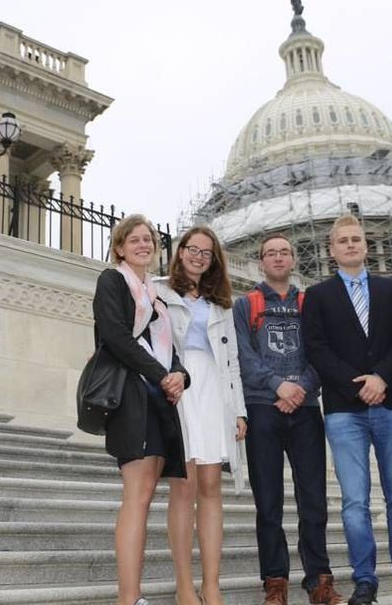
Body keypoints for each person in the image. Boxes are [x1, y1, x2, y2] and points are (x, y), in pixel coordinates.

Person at [302, 214, 392, 605]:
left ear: (365, 244)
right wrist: (356, 384)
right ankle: (366, 582)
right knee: (354, 502)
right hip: (345, 408)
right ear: (331, 249)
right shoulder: (319, 295)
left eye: (356, 239)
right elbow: (317, 348)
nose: (350, 245)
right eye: (342, 240)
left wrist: (379, 378)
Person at [233, 233, 346, 605]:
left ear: (293, 259)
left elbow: (323, 350)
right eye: (271, 253)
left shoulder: (310, 302)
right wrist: (278, 386)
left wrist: (301, 389)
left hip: (307, 409)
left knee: (313, 498)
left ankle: (319, 580)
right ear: (261, 261)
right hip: (263, 407)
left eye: (284, 252)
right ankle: (275, 582)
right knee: (269, 501)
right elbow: (244, 358)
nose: (278, 258)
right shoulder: (245, 304)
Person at [91, 214, 190, 605]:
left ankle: (132, 596)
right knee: (137, 493)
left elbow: (174, 350)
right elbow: (114, 335)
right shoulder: (112, 281)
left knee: (148, 492)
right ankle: (127, 598)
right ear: (119, 247)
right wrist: (161, 374)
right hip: (132, 394)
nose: (143, 244)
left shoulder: (156, 295)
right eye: (134, 240)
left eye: (148, 239)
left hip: (159, 397)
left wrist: (180, 375)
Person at [155, 225, 248, 605]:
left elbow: (233, 361)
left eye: (206, 252)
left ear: (214, 261)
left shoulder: (222, 303)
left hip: (215, 389)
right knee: (184, 486)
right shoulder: (159, 290)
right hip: (177, 387)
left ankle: (212, 584)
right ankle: (183, 586)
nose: (197, 256)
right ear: (180, 252)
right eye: (191, 249)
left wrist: (239, 412)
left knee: (211, 487)